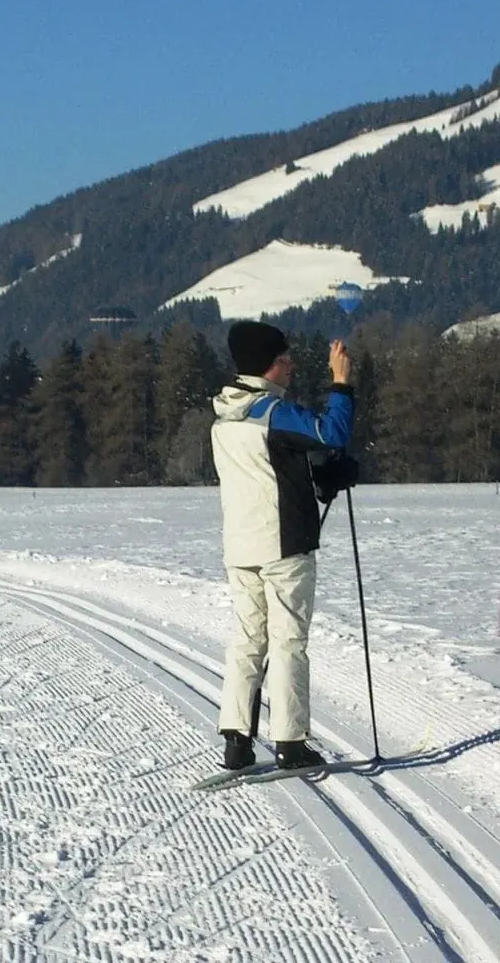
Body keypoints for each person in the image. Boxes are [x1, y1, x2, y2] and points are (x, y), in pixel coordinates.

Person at [211, 320, 354, 771]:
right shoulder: (272, 412)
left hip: (240, 546)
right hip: (284, 547)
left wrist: (317, 480)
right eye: (283, 358)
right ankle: (291, 742)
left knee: (247, 642)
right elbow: (332, 433)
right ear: (266, 366)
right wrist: (342, 383)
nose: (291, 364)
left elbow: (270, 470)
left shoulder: (224, 415)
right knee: (289, 640)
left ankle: (236, 740)